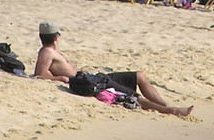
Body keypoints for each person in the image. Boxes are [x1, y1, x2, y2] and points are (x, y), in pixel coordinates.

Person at [33, 21, 192, 116]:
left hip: (96, 78)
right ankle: (172, 111)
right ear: (56, 37)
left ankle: (164, 105)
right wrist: (60, 78)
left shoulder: (49, 51)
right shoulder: (46, 52)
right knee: (132, 95)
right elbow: (40, 74)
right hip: (91, 84)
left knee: (139, 76)